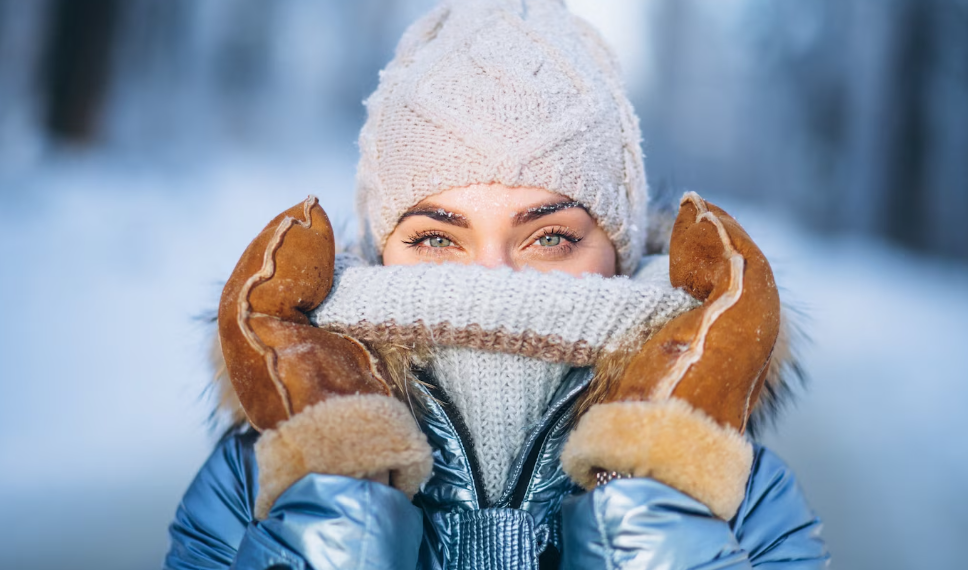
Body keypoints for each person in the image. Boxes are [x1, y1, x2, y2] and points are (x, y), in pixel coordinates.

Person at [164, 1, 829, 568]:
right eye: (436, 239)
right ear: (379, 250)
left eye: (550, 237)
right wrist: (335, 507)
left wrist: (656, 510)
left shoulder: (732, 492)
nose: (491, 282)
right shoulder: (260, 479)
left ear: (619, 253)